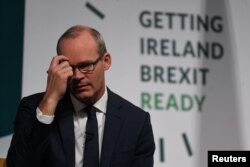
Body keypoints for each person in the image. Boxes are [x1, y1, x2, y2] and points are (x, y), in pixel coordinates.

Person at [7, 25, 155, 167]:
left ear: (106, 61)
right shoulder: (34, 107)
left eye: (85, 66)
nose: (77, 76)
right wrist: (50, 99)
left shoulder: (136, 121)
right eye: (69, 67)